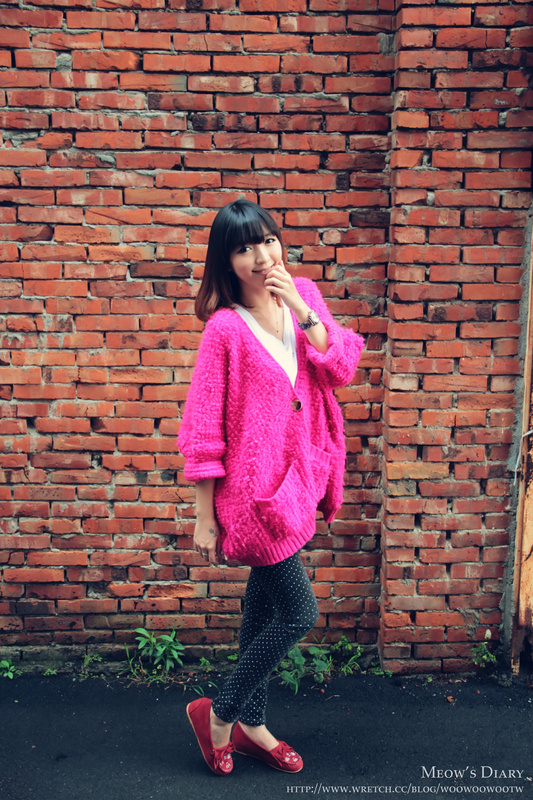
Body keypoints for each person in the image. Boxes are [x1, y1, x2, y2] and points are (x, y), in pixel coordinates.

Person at [177, 198, 365, 776]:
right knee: (299, 613)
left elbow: (340, 369)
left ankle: (253, 725)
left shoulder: (303, 294)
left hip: (301, 480)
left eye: (267, 241)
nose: (261, 257)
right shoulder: (225, 330)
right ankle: (219, 713)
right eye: (244, 248)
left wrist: (302, 311)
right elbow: (203, 428)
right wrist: (205, 517)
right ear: (226, 261)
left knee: (261, 610)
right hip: (253, 495)